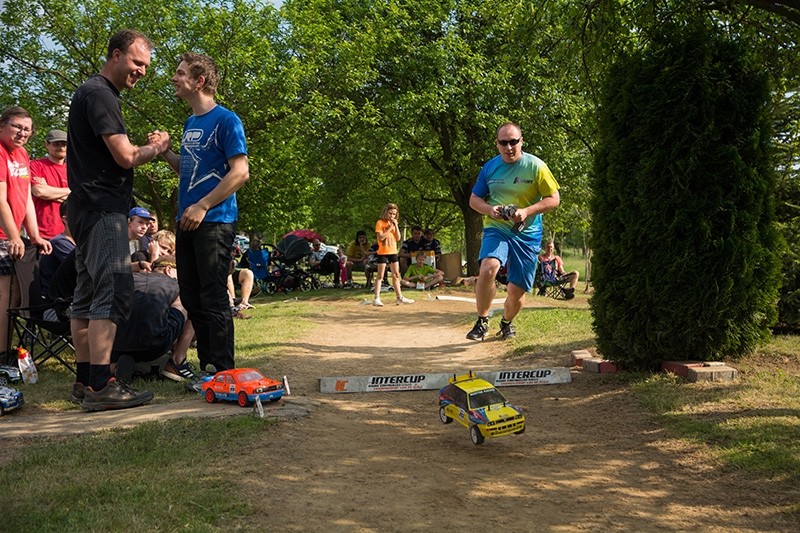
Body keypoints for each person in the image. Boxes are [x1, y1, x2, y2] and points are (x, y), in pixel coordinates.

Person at [67, 29, 171, 410]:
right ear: (115, 55)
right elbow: (125, 157)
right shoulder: (100, 94)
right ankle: (101, 385)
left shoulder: (92, 92)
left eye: (146, 66)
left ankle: (83, 380)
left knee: (86, 295)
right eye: (136, 62)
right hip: (102, 209)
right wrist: (157, 147)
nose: (142, 71)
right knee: (112, 291)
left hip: (84, 209)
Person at [160, 52, 249, 376]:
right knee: (191, 296)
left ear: (199, 81)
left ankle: (223, 371)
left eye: (180, 73)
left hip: (215, 221)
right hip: (187, 220)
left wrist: (203, 205)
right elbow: (188, 171)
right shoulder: (190, 123)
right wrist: (166, 151)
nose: (174, 78)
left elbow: (240, 172)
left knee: (213, 296)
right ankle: (208, 370)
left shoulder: (227, 120)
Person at [466, 122, 560, 341]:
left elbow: (554, 198)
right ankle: (482, 321)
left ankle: (506, 322)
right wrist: (490, 209)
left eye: (513, 142)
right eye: (503, 143)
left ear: (521, 141)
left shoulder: (536, 166)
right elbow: (474, 199)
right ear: (497, 144)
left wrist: (526, 211)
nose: (509, 147)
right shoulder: (490, 167)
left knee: (516, 293)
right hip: (497, 229)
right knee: (488, 268)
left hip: (527, 234)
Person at [0, 106, 53, 362]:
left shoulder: (22, 154)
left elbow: (27, 199)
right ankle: (2, 355)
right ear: (2, 126)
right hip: (2, 235)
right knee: (4, 295)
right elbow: (0, 199)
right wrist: (13, 236)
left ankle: (6, 350)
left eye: (27, 129)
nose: (22, 133)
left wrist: (34, 235)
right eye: (17, 127)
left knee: (14, 296)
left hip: (12, 235)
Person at [110, 255, 197, 383]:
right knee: (191, 301)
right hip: (154, 344)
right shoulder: (175, 284)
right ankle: (177, 362)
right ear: (168, 269)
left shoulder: (132, 278)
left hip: (115, 342)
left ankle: (113, 366)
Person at [30, 129, 70, 240]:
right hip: (41, 233)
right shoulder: (36, 165)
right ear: (47, 144)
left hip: (68, 234)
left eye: (64, 144)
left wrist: (49, 190)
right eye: (56, 144)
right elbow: (39, 192)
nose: (61, 148)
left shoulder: (73, 170)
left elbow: (79, 197)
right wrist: (71, 190)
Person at [372, 203, 414, 307]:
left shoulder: (394, 224)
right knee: (380, 275)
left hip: (393, 252)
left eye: (394, 214)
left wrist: (396, 226)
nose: (392, 216)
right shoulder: (380, 223)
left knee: (396, 274)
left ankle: (399, 297)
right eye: (390, 213)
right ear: (385, 212)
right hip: (383, 252)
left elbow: (398, 238)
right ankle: (377, 298)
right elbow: (381, 237)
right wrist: (390, 228)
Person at [37, 199, 75, 300]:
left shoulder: (80, 243)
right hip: (57, 302)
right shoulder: (59, 243)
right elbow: (83, 265)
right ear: (65, 219)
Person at [128, 207, 155, 272]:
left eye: (147, 224)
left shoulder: (142, 242)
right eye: (140, 222)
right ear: (129, 222)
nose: (144, 227)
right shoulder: (118, 240)